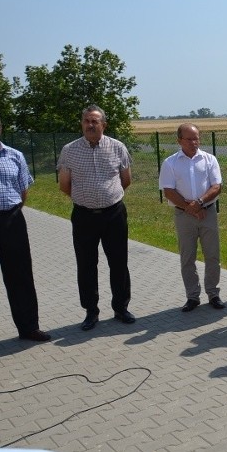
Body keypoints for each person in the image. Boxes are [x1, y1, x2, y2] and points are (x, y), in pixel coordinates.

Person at [58, 104, 134, 331]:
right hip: (84, 216)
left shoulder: (117, 147)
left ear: (104, 124)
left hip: (114, 214)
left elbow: (126, 179)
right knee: (86, 264)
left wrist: (107, 197)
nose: (90, 125)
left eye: (95, 121)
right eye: (86, 121)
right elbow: (64, 185)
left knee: (119, 262)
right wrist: (87, 199)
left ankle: (121, 308)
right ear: (82, 124)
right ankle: (91, 312)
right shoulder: (69, 150)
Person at [159, 123, 225, 312]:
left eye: (196, 138)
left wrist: (200, 203)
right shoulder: (170, 163)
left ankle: (213, 294)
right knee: (187, 257)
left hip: (208, 213)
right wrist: (190, 207)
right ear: (179, 140)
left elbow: (216, 186)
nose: (194, 142)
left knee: (212, 255)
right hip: (183, 215)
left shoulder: (209, 159)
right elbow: (169, 191)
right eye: (189, 139)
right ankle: (192, 297)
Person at [0, 117, 50, 342]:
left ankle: (29, 327)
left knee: (20, 276)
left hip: (12, 219)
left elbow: (23, 190)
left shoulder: (14, 155)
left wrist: (13, 212)